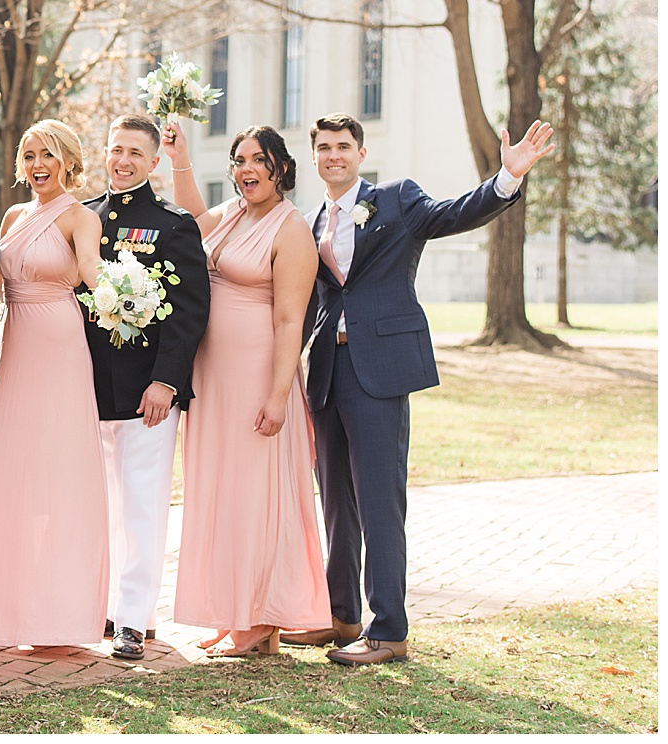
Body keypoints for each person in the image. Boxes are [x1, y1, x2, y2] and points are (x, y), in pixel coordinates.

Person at [288, 113, 554, 666]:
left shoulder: (397, 200)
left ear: (361, 153)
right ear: (314, 157)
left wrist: (506, 180)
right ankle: (343, 618)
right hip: (328, 375)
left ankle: (389, 629)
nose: (334, 155)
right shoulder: (309, 220)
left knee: (380, 501)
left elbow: (453, 214)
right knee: (335, 500)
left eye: (343, 146)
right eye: (324, 148)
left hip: (380, 371)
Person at [0, 120, 108, 648]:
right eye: (30, 155)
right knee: (5, 465)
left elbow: (94, 274)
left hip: (58, 344)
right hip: (15, 344)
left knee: (56, 469)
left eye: (48, 155)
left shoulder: (82, 218)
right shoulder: (13, 216)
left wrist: (126, 291)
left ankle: (58, 613)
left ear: (68, 160)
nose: (37, 164)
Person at [159, 122, 326, 657]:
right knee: (222, 492)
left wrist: (278, 396)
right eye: (239, 160)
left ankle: (260, 622)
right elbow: (190, 222)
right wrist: (180, 157)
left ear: (280, 168)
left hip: (257, 378)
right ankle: (235, 612)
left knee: (255, 495)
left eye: (258, 160)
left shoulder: (292, 229)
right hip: (214, 380)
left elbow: (288, 323)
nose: (246, 170)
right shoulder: (232, 214)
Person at [85, 114, 211, 661]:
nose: (123, 160)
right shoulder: (84, 217)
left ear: (154, 161)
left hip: (146, 390)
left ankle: (131, 619)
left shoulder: (174, 223)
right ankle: (115, 604)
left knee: (142, 502)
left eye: (136, 152)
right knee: (102, 504)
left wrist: (166, 381)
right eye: (116, 150)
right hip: (87, 384)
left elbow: (189, 312)